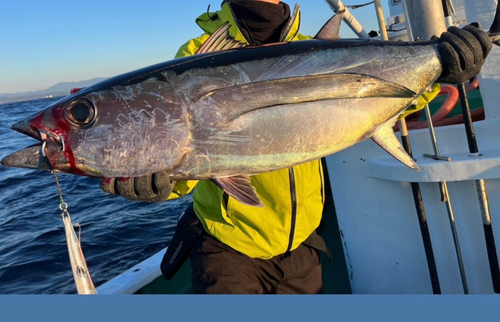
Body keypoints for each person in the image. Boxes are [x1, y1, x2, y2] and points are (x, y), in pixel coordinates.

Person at [100, 0, 493, 294]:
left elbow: (379, 97)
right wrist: (164, 178)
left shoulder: (315, 46)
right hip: (229, 248)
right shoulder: (197, 56)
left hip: (304, 245)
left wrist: (446, 68)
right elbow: (189, 147)